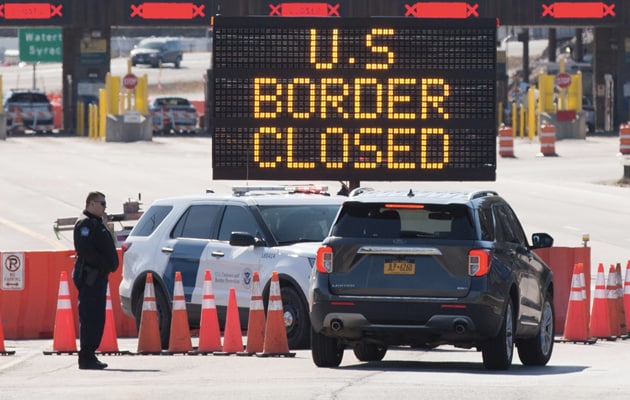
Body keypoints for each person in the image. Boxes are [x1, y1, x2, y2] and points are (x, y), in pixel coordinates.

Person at [72, 191, 119, 370]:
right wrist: (105, 265)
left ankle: (90, 354)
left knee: (97, 316)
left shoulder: (95, 222)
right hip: (90, 277)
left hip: (98, 277)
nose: (104, 207)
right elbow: (86, 251)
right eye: (102, 203)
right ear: (91, 204)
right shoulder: (85, 223)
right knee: (91, 316)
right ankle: (86, 356)